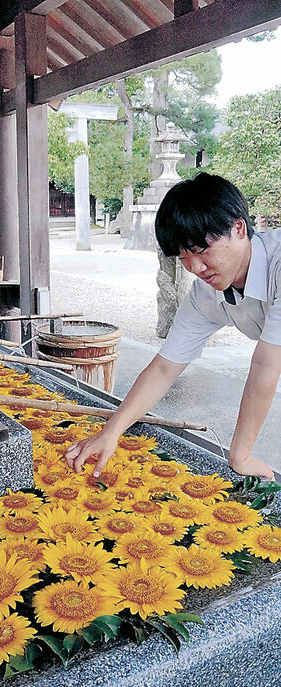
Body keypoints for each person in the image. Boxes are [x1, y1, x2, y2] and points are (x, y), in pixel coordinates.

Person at [66, 173, 280, 481]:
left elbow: (265, 366)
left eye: (201, 250)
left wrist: (240, 455)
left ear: (238, 228)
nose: (195, 268)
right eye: (183, 257)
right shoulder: (206, 294)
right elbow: (165, 368)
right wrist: (110, 432)